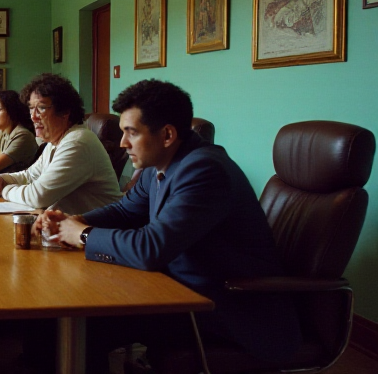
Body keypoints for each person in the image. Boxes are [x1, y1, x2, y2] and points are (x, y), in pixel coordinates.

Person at [31, 79, 300, 371]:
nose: (122, 143)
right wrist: (76, 220)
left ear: (168, 134)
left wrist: (82, 234)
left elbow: (151, 248)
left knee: (80, 325)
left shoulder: (205, 170)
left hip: (222, 308)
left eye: (132, 132)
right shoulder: (160, 163)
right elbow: (125, 211)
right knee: (55, 317)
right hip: (174, 290)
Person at [0, 74, 120, 214]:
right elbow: (30, 176)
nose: (33, 116)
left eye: (41, 108)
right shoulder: (56, 141)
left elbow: (38, 196)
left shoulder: (77, 142)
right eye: (31, 108)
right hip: (66, 224)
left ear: (64, 111)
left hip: (95, 227)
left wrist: (2, 188)